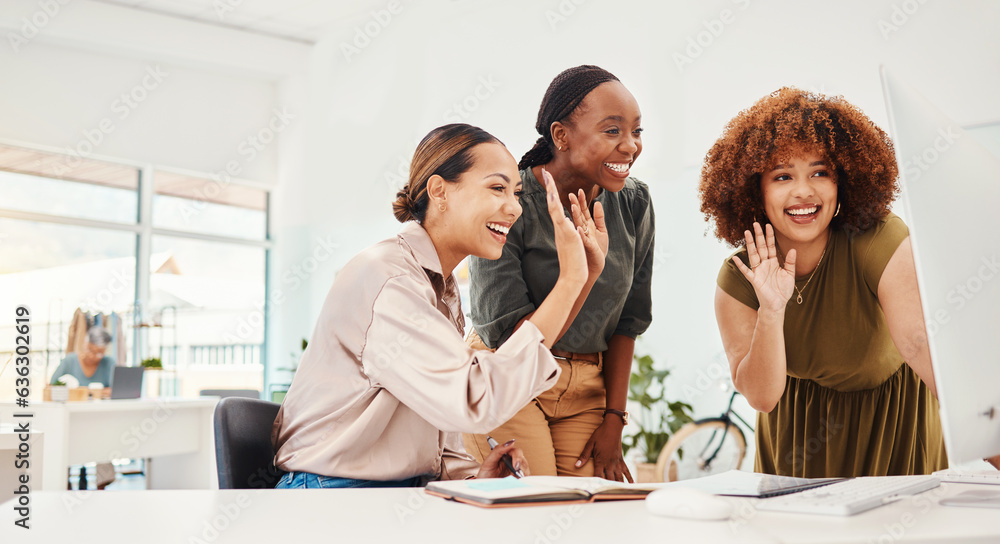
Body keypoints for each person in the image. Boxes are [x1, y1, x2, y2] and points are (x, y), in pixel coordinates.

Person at [271, 123, 605, 488]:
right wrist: (571, 279)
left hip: (396, 490)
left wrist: (475, 476)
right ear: (439, 191)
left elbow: (436, 424)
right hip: (332, 491)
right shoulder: (389, 278)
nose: (514, 208)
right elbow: (473, 398)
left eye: (517, 193)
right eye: (497, 188)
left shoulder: (437, 287)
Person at [698, 87, 949, 478]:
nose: (804, 191)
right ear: (755, 190)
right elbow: (762, 397)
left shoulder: (878, 240)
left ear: (842, 182)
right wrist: (771, 310)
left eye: (820, 172)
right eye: (783, 176)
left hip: (893, 425)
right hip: (794, 438)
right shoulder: (739, 276)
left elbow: (923, 348)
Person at [463, 65, 653, 482]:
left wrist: (615, 419)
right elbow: (513, 342)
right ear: (561, 135)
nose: (630, 146)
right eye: (612, 131)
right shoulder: (508, 205)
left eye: (637, 132)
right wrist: (580, 272)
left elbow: (630, 319)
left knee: (586, 514)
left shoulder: (634, 202)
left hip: (585, 387)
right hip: (508, 375)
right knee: (534, 507)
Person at [50, 326, 115, 389]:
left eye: (98, 353)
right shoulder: (69, 361)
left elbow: (116, 390)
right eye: (90, 349)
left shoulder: (109, 363)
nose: (92, 356)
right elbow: (51, 386)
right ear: (85, 344)